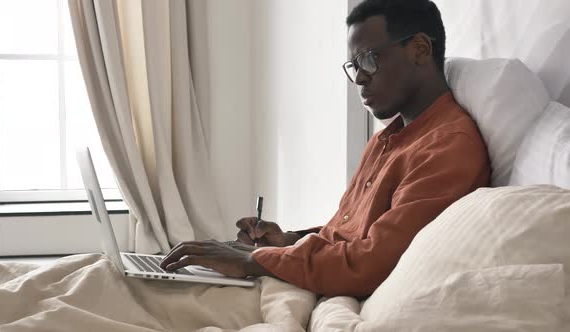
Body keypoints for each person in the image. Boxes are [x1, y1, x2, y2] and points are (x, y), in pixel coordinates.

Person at [160, 0, 490, 297]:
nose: (359, 78)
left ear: (419, 49)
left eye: (368, 60)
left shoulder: (448, 147)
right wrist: (288, 240)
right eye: (354, 66)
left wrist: (254, 260)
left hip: (334, 292)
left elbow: (372, 263)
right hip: (309, 279)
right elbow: (349, 235)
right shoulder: (385, 141)